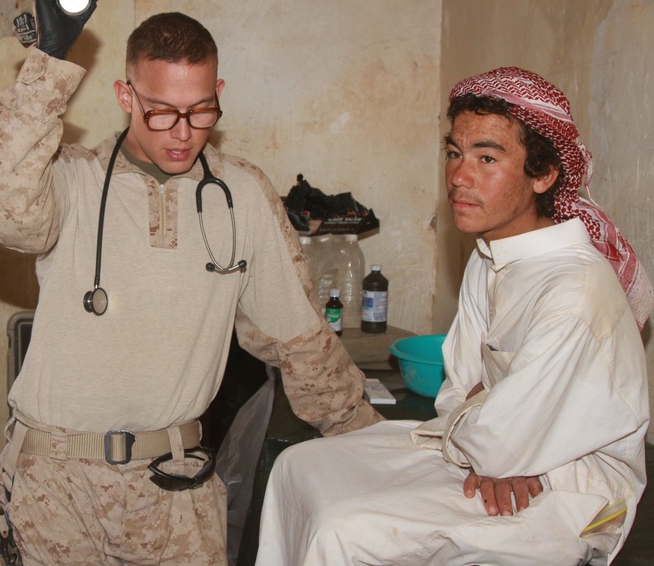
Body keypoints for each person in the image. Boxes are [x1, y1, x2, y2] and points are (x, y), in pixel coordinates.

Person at [0, 0, 381, 565]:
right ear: (125, 96)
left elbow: (300, 337)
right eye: (161, 111)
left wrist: (369, 443)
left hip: (175, 491)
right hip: (58, 487)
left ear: (219, 93)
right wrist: (47, 63)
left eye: (201, 110)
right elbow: (5, 214)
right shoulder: (72, 180)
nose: (183, 133)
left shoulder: (240, 193)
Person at [256, 66, 653, 566]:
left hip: (573, 488)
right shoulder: (490, 256)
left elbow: (497, 438)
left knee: (347, 530)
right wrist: (495, 425)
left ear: (544, 174)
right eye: (455, 153)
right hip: (485, 452)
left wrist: (505, 439)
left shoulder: (573, 293)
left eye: (487, 157)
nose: (460, 177)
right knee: (298, 465)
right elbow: (457, 393)